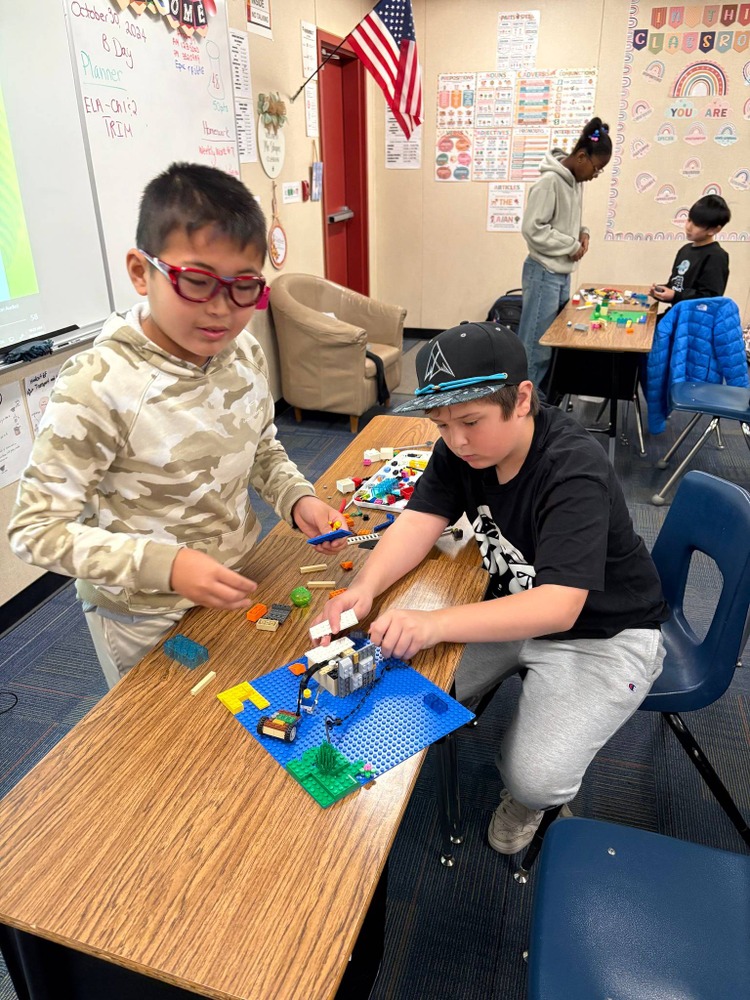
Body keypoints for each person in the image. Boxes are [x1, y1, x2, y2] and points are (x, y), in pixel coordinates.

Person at [316, 321, 668, 854]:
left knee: (534, 778)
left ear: (522, 399)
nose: (456, 440)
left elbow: (559, 608)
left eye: (471, 422)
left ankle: (532, 804)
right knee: (402, 691)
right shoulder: (461, 450)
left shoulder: (573, 467)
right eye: (441, 425)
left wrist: (434, 623)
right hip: (511, 606)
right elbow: (419, 521)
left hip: (603, 632)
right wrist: (365, 587)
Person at [8, 162, 346, 689]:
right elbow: (35, 531)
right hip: (141, 614)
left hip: (236, 576)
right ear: (142, 272)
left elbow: (263, 450)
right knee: (165, 749)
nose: (220, 310)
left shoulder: (244, 352)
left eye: (242, 288)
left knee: (248, 729)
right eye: (196, 281)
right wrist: (166, 565)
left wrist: (296, 499)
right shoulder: (99, 383)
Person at [517, 116, 612, 390]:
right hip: (543, 273)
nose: (595, 175)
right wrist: (571, 246)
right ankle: (523, 412)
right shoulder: (550, 182)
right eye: (596, 168)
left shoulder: (574, 182)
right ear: (582, 156)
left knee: (554, 342)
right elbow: (533, 229)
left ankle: (540, 407)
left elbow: (568, 221)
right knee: (536, 347)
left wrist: (583, 233)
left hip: (559, 274)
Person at [649, 194, 731, 307]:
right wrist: (661, 291)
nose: (688, 227)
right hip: (677, 314)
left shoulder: (717, 256)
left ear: (714, 229)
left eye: (697, 224)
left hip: (695, 321)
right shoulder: (685, 250)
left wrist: (675, 296)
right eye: (689, 220)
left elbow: (710, 298)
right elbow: (676, 286)